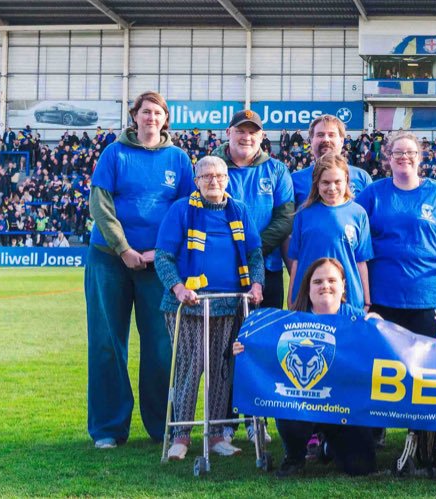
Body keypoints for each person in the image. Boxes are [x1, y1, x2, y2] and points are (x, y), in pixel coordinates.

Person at [85, 91, 196, 449]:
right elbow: (100, 204)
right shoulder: (114, 153)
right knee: (107, 343)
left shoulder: (178, 159)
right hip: (109, 259)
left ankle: (160, 426)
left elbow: (186, 210)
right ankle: (108, 429)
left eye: (157, 113)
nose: (151, 118)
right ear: (135, 117)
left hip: (158, 265)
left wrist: (159, 253)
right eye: (145, 112)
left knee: (161, 346)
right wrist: (125, 249)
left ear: (166, 119)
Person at [153, 155, 266, 460]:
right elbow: (163, 256)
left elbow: (255, 254)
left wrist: (256, 283)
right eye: (206, 177)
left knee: (220, 368)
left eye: (219, 176)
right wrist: (178, 287)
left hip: (229, 304)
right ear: (197, 181)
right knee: (191, 366)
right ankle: (181, 435)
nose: (214, 181)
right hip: (189, 305)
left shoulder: (239, 210)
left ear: (227, 179)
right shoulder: (182, 210)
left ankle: (217, 434)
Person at [234, 257, 381, 477]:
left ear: (343, 285)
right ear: (308, 287)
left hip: (343, 409)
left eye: (332, 280)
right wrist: (245, 350)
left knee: (362, 468)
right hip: (301, 406)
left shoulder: (357, 319)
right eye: (318, 281)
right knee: (288, 400)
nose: (325, 286)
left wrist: (380, 326)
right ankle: (294, 457)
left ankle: (327, 447)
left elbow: (382, 350)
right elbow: (264, 351)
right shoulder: (289, 321)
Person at [355, 131, 436, 337]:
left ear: (419, 157)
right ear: (388, 158)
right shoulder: (372, 195)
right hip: (383, 297)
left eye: (410, 152)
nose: (404, 157)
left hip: (431, 297)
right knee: (385, 364)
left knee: (428, 363)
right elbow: (355, 241)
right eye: (397, 152)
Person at [211, 110, 293, 310]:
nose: (246, 137)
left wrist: (252, 250)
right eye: (241, 131)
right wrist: (234, 251)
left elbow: (285, 220)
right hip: (222, 268)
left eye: (252, 132)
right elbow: (203, 216)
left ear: (262, 136)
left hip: (268, 269)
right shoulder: (210, 169)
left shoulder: (277, 170)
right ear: (229, 132)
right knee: (222, 339)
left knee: (265, 338)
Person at [284, 153, 372, 310]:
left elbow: (361, 261)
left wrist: (366, 301)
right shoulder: (304, 214)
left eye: (337, 182)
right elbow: (296, 260)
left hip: (348, 298)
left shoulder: (358, 213)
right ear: (316, 184)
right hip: (309, 297)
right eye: (325, 182)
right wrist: (292, 297)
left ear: (346, 180)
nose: (332, 188)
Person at [291, 115, 374, 206]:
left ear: (342, 141)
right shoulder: (294, 180)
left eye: (331, 135)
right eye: (320, 135)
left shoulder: (362, 177)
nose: (326, 139)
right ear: (311, 140)